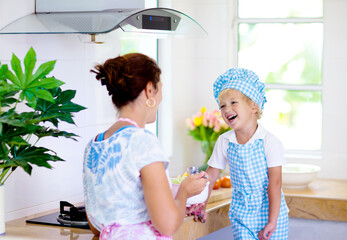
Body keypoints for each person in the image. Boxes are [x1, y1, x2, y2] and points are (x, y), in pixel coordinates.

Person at [82, 53, 209, 240]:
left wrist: (175, 206)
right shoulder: (143, 141)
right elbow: (167, 225)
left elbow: (97, 225)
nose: (161, 98)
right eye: (160, 89)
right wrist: (184, 192)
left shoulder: (93, 146)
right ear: (150, 90)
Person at [196, 68, 289, 239]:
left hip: (271, 213)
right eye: (222, 105)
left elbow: (275, 184)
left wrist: (272, 221)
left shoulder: (269, 142)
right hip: (242, 215)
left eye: (233, 102)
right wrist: (201, 204)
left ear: (253, 106)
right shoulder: (225, 141)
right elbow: (211, 175)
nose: (226, 109)